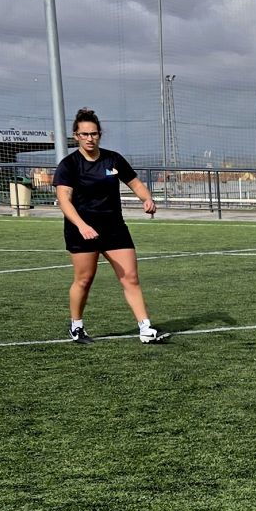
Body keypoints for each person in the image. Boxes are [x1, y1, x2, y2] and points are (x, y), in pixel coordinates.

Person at [56, 108, 168, 344]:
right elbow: (64, 200)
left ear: (100, 135)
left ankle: (146, 329)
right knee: (84, 280)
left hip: (114, 228)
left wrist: (147, 198)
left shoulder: (113, 159)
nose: (89, 138)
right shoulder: (69, 165)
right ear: (75, 136)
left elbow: (135, 183)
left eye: (94, 133)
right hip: (81, 230)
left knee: (130, 278)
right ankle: (76, 326)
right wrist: (82, 226)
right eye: (84, 134)